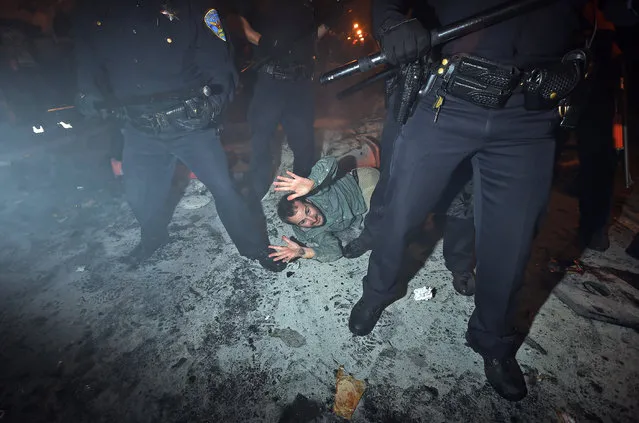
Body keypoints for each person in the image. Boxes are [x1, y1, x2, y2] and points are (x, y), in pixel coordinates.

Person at [350, 0, 594, 402]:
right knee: (401, 212)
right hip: (447, 99)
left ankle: (493, 340)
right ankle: (378, 291)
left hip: (530, 112)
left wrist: (585, 58)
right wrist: (392, 22)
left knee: (511, 244)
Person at [73, 0, 284, 272]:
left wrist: (214, 105)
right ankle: (153, 237)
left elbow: (219, 61)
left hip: (189, 124)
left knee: (225, 189)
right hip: (139, 126)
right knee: (139, 194)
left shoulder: (191, 7)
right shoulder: (98, 9)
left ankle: (255, 248)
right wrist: (86, 90)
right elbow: (87, 54)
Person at [234, 0, 339, 201]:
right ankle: (257, 190)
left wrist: (325, 25)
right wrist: (264, 41)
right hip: (268, 80)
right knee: (260, 140)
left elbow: (317, 29)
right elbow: (233, 19)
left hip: (301, 82)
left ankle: (302, 191)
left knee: (303, 141)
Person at [270, 156, 380, 263]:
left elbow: (330, 161)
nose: (312, 219)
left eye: (307, 211)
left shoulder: (316, 193)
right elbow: (335, 251)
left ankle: (367, 240)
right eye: (303, 221)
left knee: (386, 216)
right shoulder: (312, 232)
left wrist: (313, 182)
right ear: (299, 226)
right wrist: (304, 252)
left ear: (309, 201)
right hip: (362, 209)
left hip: (361, 182)